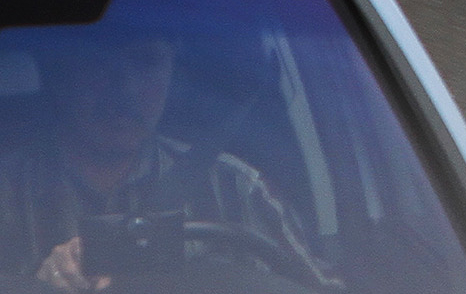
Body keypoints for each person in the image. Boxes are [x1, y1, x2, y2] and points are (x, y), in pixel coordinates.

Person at [0, 27, 333, 290]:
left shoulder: (236, 188)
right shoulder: (7, 192)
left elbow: (319, 289)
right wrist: (36, 286)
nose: (124, 88)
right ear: (60, 74)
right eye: (97, 63)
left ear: (172, 72)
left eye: (145, 62)